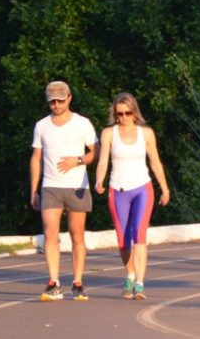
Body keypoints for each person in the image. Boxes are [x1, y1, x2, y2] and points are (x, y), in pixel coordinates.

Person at [94, 92, 171, 300]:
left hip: (142, 189)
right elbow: (103, 161)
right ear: (115, 114)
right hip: (118, 190)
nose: (124, 117)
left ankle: (139, 283)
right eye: (120, 114)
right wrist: (99, 180)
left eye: (128, 113)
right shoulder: (109, 133)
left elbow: (155, 162)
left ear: (135, 112)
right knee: (122, 240)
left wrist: (165, 188)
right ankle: (130, 274)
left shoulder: (145, 133)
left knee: (139, 234)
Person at [30, 81, 98, 301]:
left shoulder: (83, 124)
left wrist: (77, 161)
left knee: (77, 234)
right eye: (52, 102)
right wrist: (34, 190)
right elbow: (36, 158)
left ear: (69, 98)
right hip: (50, 186)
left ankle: (77, 283)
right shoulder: (42, 126)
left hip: (77, 186)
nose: (56, 105)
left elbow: (94, 153)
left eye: (60, 100)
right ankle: (53, 283)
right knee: (50, 233)